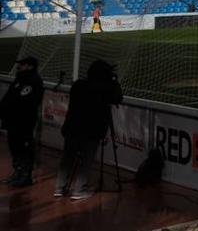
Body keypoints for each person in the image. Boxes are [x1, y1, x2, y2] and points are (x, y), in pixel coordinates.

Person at [55, 59, 122, 200]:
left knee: (68, 158)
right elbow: (117, 98)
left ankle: (60, 188)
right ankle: (79, 190)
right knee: (86, 160)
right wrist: (114, 81)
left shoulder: (78, 85)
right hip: (91, 131)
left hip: (72, 128)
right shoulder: (105, 88)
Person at [1, 56, 44, 188]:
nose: (20, 67)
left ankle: (25, 176)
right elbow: (9, 97)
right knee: (14, 146)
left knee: (24, 147)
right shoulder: (19, 79)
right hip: (12, 121)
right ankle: (17, 172)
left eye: (23, 64)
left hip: (24, 121)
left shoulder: (34, 81)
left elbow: (25, 102)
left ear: (30, 66)